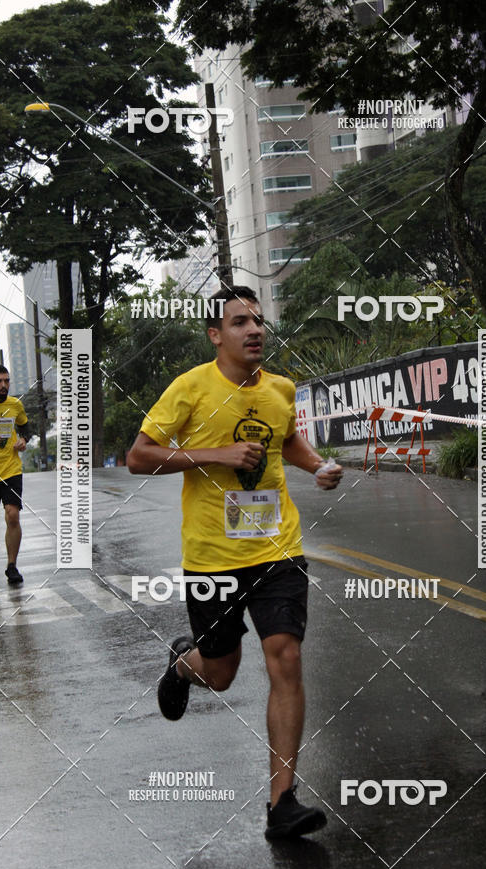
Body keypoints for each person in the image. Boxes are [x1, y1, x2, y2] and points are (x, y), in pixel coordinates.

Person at [127, 285, 343, 839]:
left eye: (259, 321)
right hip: (211, 557)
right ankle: (183, 664)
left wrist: (316, 465)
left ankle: (282, 803)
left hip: (277, 547)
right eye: (240, 322)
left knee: (285, 656)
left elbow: (286, 440)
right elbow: (138, 456)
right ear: (215, 335)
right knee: (221, 673)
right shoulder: (190, 388)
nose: (254, 330)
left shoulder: (280, 389)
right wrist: (213, 454)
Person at [0, 364, 30, 584]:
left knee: (13, 515)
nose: (4, 385)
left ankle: (12, 566)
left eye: (6, 381)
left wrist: (23, 440)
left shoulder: (15, 404)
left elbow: (25, 427)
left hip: (11, 470)